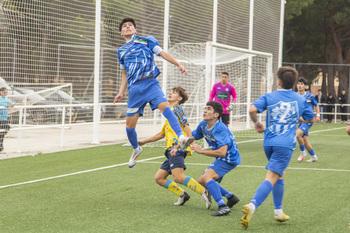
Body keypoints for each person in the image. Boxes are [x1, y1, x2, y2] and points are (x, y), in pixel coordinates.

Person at [240, 66, 315, 229]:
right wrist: (296, 118)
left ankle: (278, 211)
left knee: (280, 174)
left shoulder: (269, 96)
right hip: (285, 144)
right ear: (294, 84)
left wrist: (256, 123)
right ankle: (252, 205)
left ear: (279, 81)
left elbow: (252, 109)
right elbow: (310, 118)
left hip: (268, 142)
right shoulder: (300, 99)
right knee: (272, 176)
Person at [113, 17, 193, 168]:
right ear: (121, 33)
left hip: (150, 83)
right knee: (129, 128)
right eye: (125, 26)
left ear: (135, 30)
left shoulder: (146, 40)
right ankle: (136, 149)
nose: (128, 27)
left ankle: (181, 137)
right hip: (134, 89)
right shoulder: (120, 51)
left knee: (167, 109)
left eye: (130, 25)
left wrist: (178, 64)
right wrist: (120, 92)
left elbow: (162, 53)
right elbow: (124, 74)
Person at [138, 86, 211, 208]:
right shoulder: (169, 111)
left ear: (179, 98)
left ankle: (204, 191)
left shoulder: (176, 109)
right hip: (170, 150)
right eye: (171, 91)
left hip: (177, 147)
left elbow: (186, 126)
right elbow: (162, 133)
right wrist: (145, 141)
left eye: (174, 92)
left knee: (178, 176)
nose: (170, 92)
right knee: (159, 178)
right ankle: (182, 195)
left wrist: (191, 142)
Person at [173, 101, 241, 216]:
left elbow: (222, 152)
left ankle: (222, 206)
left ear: (216, 115)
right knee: (201, 180)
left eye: (209, 109)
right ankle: (231, 197)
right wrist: (177, 147)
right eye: (205, 108)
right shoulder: (203, 125)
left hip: (229, 158)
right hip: (222, 158)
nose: (205, 110)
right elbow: (191, 137)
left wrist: (201, 151)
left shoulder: (220, 128)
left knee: (207, 177)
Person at [296, 77, 320, 162]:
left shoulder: (309, 96)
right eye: (298, 84)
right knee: (305, 141)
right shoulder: (295, 96)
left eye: (302, 84)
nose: (300, 86)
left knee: (297, 134)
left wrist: (318, 115)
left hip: (308, 120)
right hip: (301, 120)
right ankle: (314, 156)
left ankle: (303, 152)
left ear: (305, 86)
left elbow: (316, 105)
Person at [0, 87, 14, 152]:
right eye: (4, 92)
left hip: (4, 118)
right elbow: (1, 104)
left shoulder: (5, 98)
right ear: (1, 92)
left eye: (6, 93)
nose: (5, 94)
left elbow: (12, 103)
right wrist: (7, 105)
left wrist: (11, 104)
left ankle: (1, 145)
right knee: (3, 130)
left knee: (2, 132)